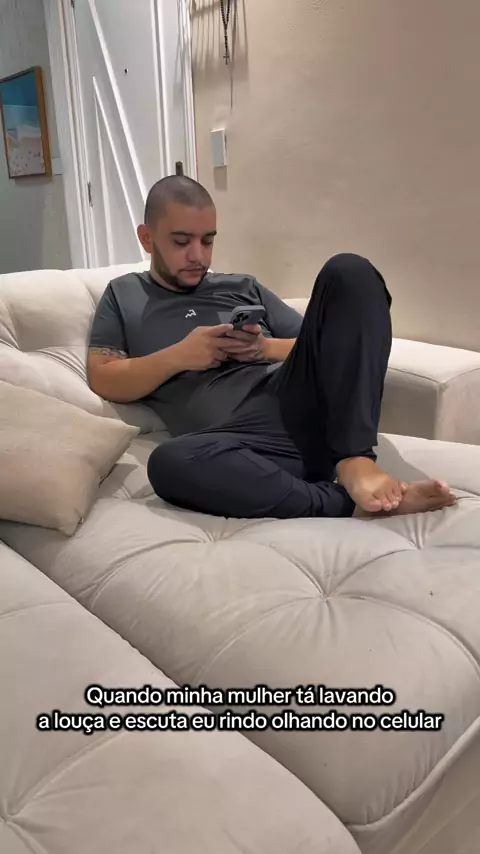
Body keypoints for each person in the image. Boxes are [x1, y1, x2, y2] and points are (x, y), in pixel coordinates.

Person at [87, 175, 456, 520]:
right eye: (182, 242)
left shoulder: (242, 286)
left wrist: (264, 348)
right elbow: (103, 376)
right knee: (169, 463)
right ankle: (350, 503)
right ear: (147, 238)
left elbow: (322, 343)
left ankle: (355, 459)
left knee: (350, 271)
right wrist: (180, 356)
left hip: (300, 399)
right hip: (245, 442)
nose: (198, 255)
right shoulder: (124, 294)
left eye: (208, 241)